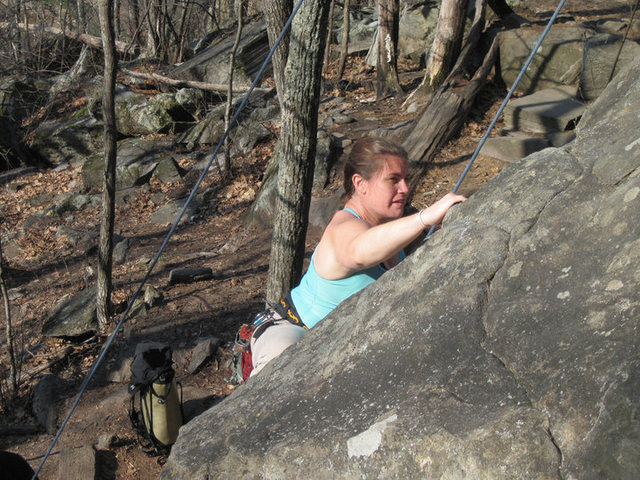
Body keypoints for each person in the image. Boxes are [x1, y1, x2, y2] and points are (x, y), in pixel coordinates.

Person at [250, 137, 465, 376]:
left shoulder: (395, 227)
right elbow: (359, 251)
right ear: (360, 184)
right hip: (293, 331)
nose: (404, 189)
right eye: (393, 180)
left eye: (406, 180)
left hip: (342, 343)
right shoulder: (343, 227)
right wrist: (426, 217)